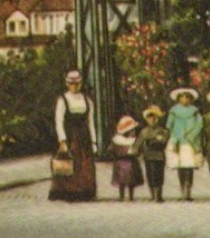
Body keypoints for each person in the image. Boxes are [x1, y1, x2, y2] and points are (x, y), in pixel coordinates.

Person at [49, 69, 97, 202]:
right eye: (71, 84)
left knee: (85, 164)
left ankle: (84, 191)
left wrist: (94, 142)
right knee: (70, 162)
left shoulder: (87, 100)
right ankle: (69, 191)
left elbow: (91, 122)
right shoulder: (63, 100)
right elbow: (59, 121)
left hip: (84, 136)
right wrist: (62, 140)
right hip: (70, 135)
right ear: (67, 84)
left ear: (81, 83)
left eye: (77, 83)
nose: (74, 86)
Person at [165, 87, 205, 201]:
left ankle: (188, 191)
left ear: (191, 99)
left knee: (189, 166)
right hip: (178, 141)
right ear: (178, 99)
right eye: (182, 97)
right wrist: (177, 134)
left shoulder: (194, 111)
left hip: (190, 142)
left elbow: (199, 125)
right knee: (180, 166)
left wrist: (191, 135)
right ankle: (182, 190)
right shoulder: (174, 111)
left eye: (187, 97)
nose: (184, 99)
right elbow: (169, 125)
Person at [137, 105, 170, 202]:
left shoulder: (162, 131)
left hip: (159, 156)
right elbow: (139, 142)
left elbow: (163, 141)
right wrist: (135, 150)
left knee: (159, 175)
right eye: (150, 117)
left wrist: (153, 141)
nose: (152, 119)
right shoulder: (144, 131)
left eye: (155, 117)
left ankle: (158, 195)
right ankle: (152, 194)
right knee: (150, 175)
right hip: (148, 156)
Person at [108, 115, 144, 202]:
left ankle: (131, 196)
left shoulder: (134, 140)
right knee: (121, 180)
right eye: (132, 130)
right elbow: (111, 149)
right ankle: (122, 196)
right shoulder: (117, 140)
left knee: (132, 180)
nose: (134, 132)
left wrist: (136, 152)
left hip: (132, 161)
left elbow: (138, 149)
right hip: (121, 162)